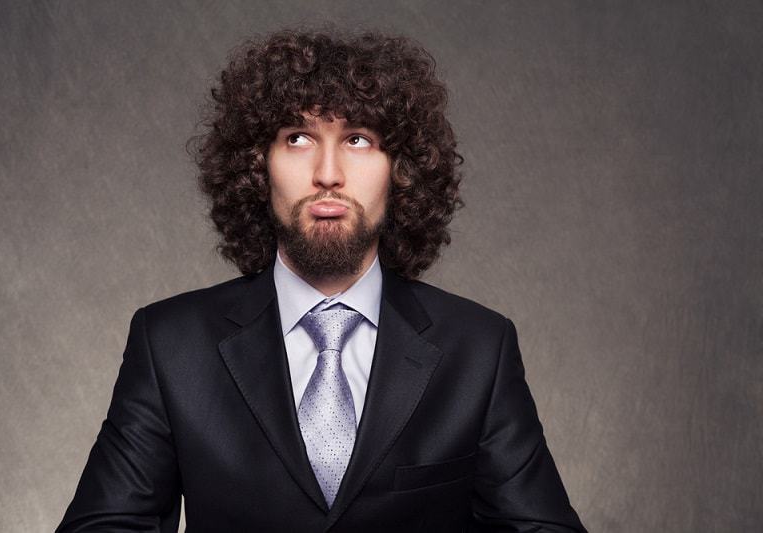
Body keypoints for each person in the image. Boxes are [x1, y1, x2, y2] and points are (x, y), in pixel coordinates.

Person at [57, 28, 587, 532]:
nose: (328, 172)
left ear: (399, 169)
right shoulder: (170, 343)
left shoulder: (478, 349)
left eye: (358, 138)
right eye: (298, 138)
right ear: (256, 166)